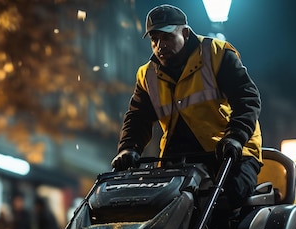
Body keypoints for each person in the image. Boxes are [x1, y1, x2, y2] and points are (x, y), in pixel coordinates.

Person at [111, 4, 263, 211]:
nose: (159, 45)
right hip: (178, 158)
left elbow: (247, 98)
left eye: (166, 37)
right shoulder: (147, 75)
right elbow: (138, 117)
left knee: (221, 203)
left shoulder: (217, 55)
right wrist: (129, 148)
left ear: (185, 32)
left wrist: (236, 137)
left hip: (232, 153)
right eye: (154, 39)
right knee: (156, 208)